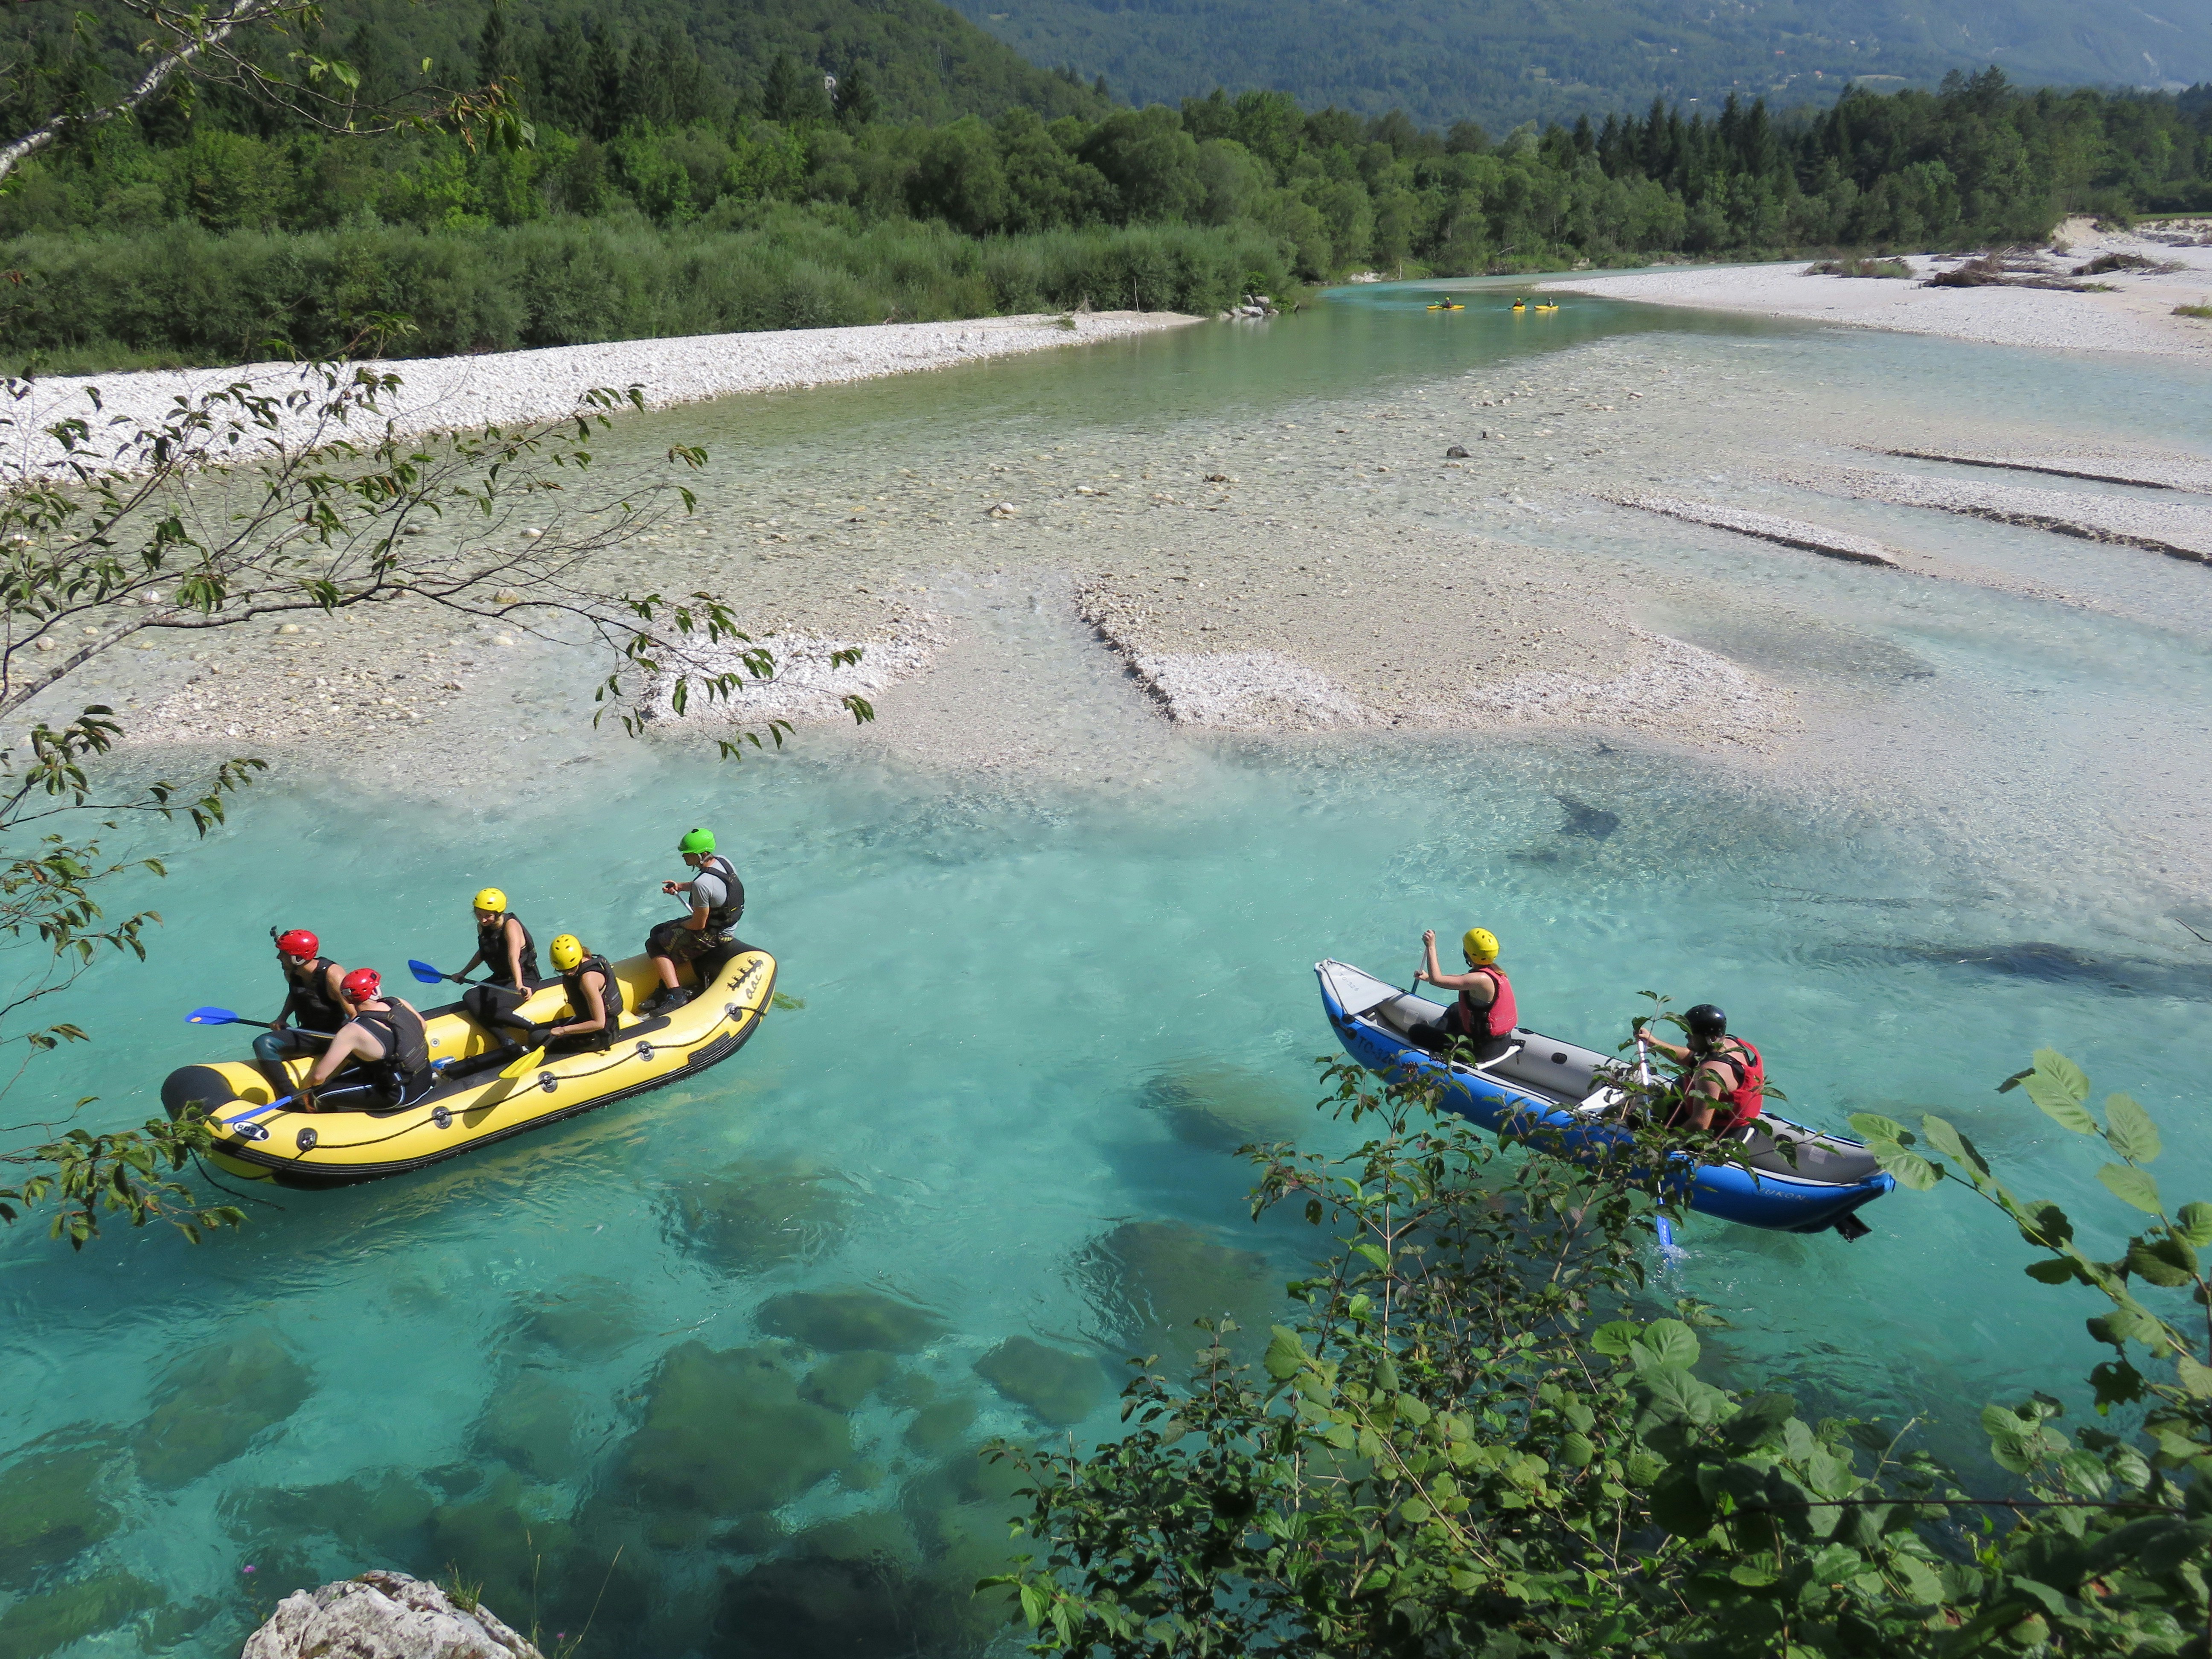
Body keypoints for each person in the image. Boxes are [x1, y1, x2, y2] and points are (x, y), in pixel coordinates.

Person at [299, 968, 433, 1112]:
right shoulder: (398, 1003)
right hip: (425, 1076)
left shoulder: (351, 1032)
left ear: (348, 999)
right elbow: (423, 1027)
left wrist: (305, 1092)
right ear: (375, 991)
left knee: (319, 1094)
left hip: (401, 1094)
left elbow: (319, 1076)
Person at [643, 828, 744, 1013]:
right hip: (724, 924)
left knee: (654, 943)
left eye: (687, 854)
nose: (683, 857)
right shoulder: (723, 862)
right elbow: (712, 889)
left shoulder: (702, 884)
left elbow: (698, 925)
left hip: (715, 934)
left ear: (700, 855)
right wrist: (680, 887)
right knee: (658, 930)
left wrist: (678, 926)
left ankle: (676, 996)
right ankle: (665, 987)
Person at [1642, 1004, 1765, 1134]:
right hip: (1736, 1124)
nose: (1686, 1037)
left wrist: (1660, 1142)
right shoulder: (1731, 1043)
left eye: (1691, 1034)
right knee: (1681, 1083)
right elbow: (1691, 1057)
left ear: (1712, 1038)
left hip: (1718, 1133)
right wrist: (1653, 1043)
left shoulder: (1710, 1074)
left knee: (1638, 1120)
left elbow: (1699, 1124)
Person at [1408, 926, 1517, 1063]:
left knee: (1415, 1031)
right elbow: (1462, 979)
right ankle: (1439, 1040)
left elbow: (1438, 981)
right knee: (1455, 1008)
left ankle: (1438, 1050)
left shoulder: (1480, 980)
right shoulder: (1494, 972)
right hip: (1501, 1042)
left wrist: (1431, 946)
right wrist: (1428, 977)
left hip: (1480, 1050)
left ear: (1468, 953)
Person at [457, 887, 541, 1059]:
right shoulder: (483, 927)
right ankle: (506, 1040)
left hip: (525, 977)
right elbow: (483, 952)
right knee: (470, 998)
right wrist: (463, 973)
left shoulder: (511, 926)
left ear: (498, 913)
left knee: (496, 1009)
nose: (483, 919)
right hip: (502, 978)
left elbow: (513, 957)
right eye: (479, 915)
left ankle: (538, 1029)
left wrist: (519, 984)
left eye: (487, 915)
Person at [256, 928, 348, 1075]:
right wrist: (282, 1018)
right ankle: (290, 1092)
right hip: (308, 1033)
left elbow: (355, 1013)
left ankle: (293, 1097)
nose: (279, 957)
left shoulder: (333, 975)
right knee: (263, 1043)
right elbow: (296, 994)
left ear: (297, 958)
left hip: (335, 1037)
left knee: (263, 1043)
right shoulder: (293, 972)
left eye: (283, 954)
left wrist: (351, 1043)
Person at [532, 934, 626, 1054]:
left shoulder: (588, 980)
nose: (569, 974)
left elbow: (599, 1023)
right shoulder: (585, 960)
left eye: (572, 969)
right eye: (563, 971)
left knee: (537, 1040)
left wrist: (564, 1030)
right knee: (535, 1032)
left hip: (602, 1035)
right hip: (586, 1022)